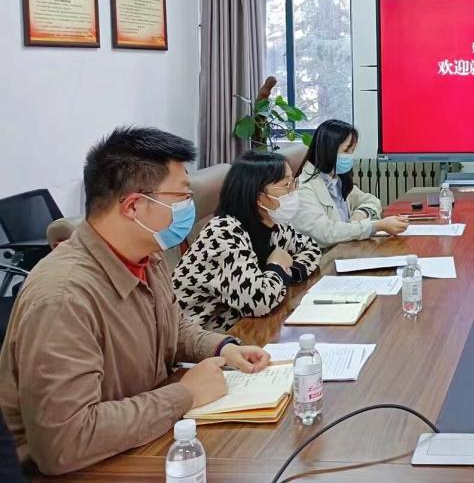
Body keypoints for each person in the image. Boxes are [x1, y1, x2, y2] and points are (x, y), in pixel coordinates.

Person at [0, 127, 270, 475]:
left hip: (140, 442)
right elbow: (64, 443)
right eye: (182, 197)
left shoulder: (147, 256)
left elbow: (171, 326)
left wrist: (222, 347)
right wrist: (184, 395)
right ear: (133, 206)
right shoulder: (63, 297)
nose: (189, 208)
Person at [174, 151, 321, 332]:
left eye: (293, 182)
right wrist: (276, 266)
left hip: (245, 325)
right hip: (203, 335)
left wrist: (287, 272)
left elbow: (311, 248)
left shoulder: (273, 224)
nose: (294, 192)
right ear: (259, 197)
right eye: (286, 185)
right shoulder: (223, 233)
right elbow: (259, 302)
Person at [294, 120, 408, 246]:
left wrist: (361, 213)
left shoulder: (335, 179)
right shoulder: (304, 187)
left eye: (352, 151)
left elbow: (371, 200)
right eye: (346, 150)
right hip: (325, 254)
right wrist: (376, 226)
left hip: (346, 247)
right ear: (328, 150)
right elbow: (326, 233)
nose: (350, 156)